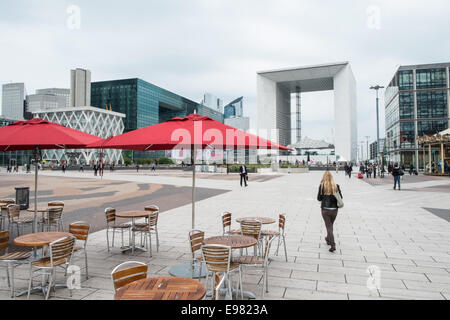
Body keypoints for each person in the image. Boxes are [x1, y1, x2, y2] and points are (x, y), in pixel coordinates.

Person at [317, 171, 342, 253]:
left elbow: (319, 198)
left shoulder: (322, 186)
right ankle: (328, 238)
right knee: (330, 226)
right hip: (334, 210)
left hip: (325, 209)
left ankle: (333, 245)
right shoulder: (336, 186)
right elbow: (340, 197)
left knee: (329, 227)